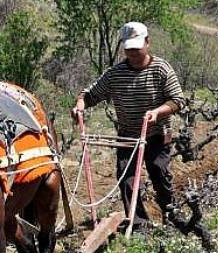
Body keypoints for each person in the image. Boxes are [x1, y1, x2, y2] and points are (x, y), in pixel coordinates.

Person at [72, 21, 185, 232]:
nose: (132, 53)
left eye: (136, 48)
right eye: (129, 48)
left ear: (147, 43)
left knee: (160, 175)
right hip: (127, 136)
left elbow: (178, 100)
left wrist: (157, 112)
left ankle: (171, 220)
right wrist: (80, 104)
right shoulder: (115, 74)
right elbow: (91, 94)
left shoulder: (161, 69)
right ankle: (139, 225)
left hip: (156, 134)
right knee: (126, 179)